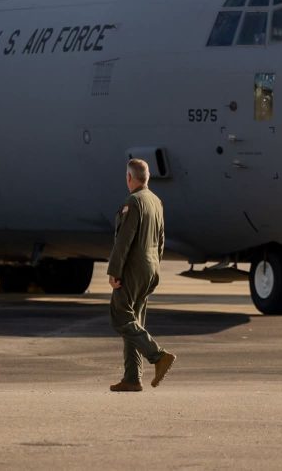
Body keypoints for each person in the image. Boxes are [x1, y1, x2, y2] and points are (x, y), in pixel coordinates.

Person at [107, 158, 176, 392]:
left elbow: (123, 241)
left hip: (133, 270)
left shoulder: (134, 202)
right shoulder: (156, 201)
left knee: (120, 317)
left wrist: (114, 271)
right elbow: (161, 239)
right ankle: (132, 378)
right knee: (133, 320)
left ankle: (158, 356)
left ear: (129, 177)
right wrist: (154, 266)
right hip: (151, 268)